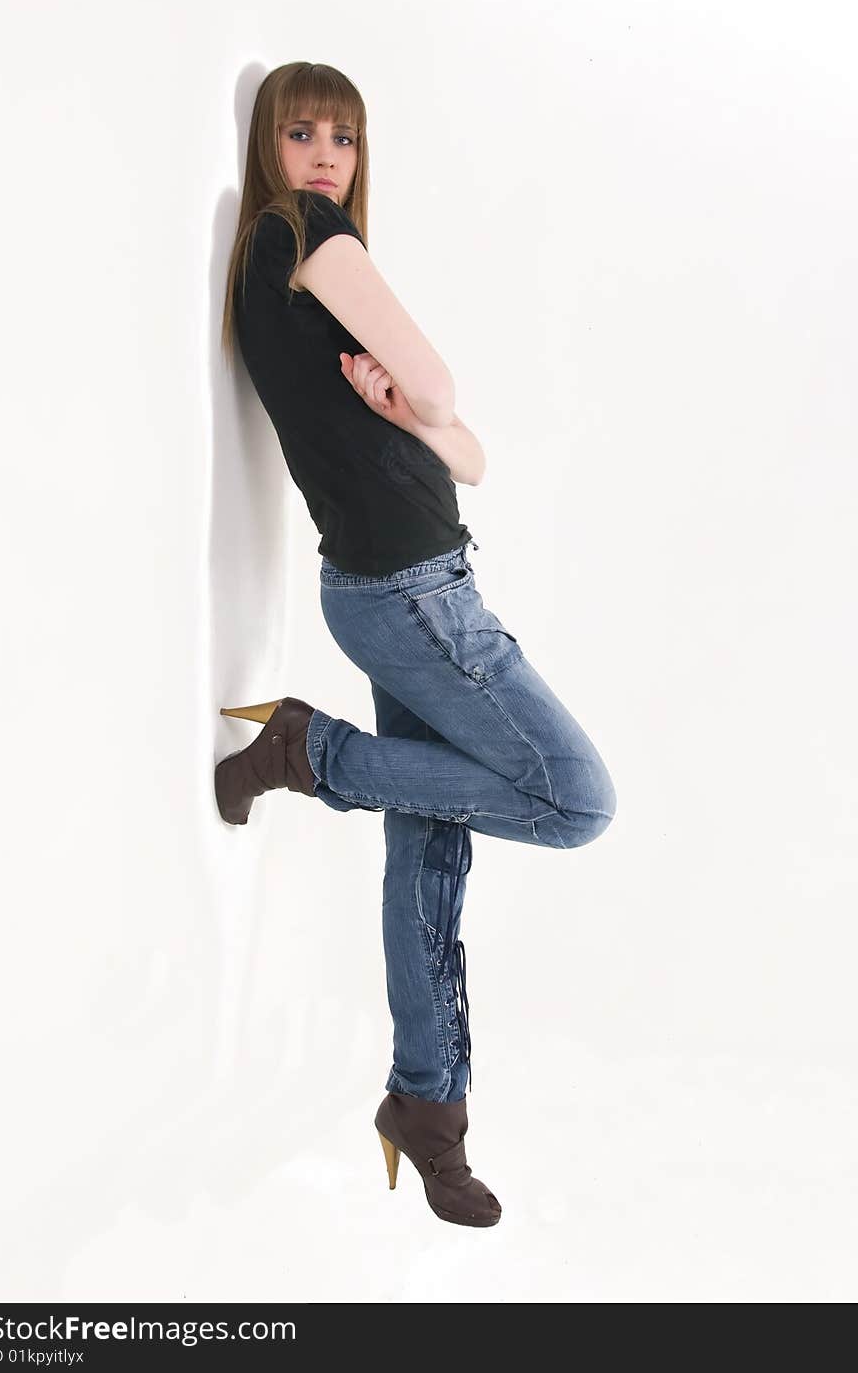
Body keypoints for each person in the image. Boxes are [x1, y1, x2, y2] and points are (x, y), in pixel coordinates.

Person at [218, 62, 617, 1229]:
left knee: (431, 863)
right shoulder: (304, 232)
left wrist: (407, 415)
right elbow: (447, 391)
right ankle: (308, 753)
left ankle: (424, 1110)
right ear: (269, 149)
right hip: (415, 601)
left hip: (404, 583)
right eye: (301, 131)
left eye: (343, 135)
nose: (326, 153)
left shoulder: (286, 278)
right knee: (573, 800)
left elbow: (472, 454)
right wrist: (425, 402)